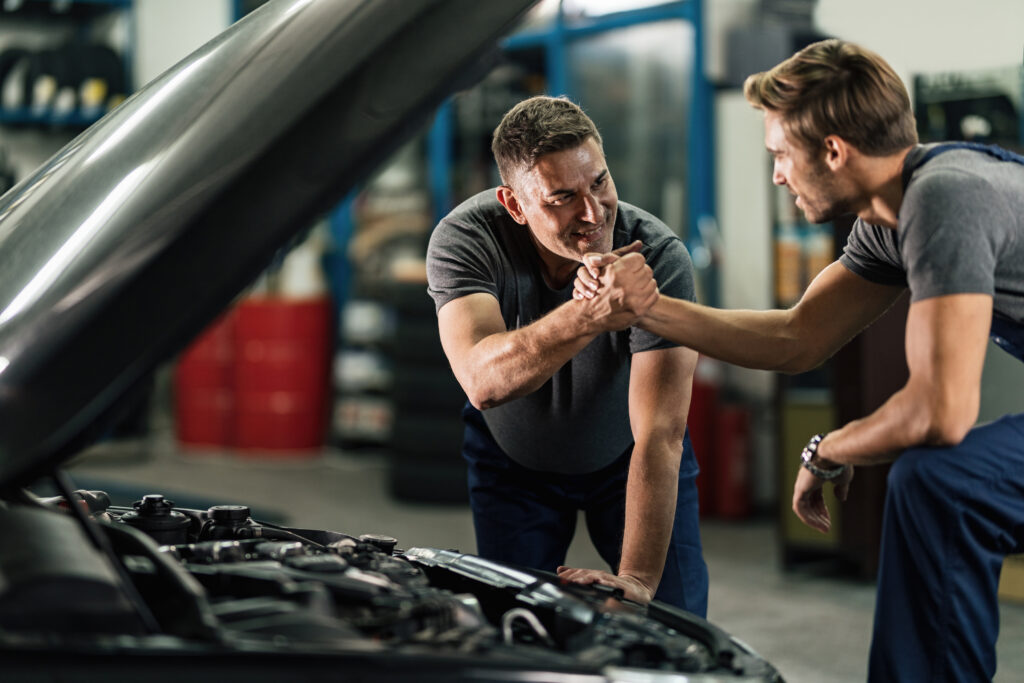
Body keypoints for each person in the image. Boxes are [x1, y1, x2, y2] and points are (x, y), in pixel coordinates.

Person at [574, 38, 1024, 681]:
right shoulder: (889, 217)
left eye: (782, 155)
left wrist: (831, 448)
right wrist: (643, 309)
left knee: (943, 485)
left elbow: (940, 411)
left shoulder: (945, 199)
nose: (778, 174)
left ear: (835, 151)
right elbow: (796, 338)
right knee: (938, 482)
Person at [425, 95, 709, 615]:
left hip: (631, 457)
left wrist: (639, 582)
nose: (592, 213)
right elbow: (481, 380)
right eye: (561, 197)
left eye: (599, 182)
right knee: (516, 626)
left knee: (676, 623)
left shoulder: (657, 255)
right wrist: (590, 314)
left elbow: (661, 433)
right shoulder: (465, 239)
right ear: (514, 204)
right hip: (512, 463)